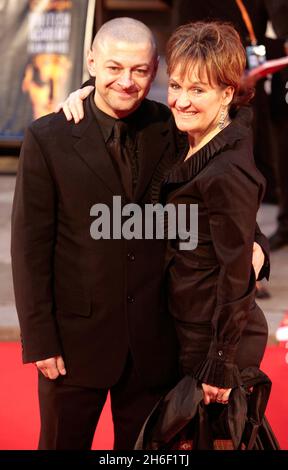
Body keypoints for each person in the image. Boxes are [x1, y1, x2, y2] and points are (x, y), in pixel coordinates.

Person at [11, 17, 268, 450]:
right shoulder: (48, 136)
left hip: (155, 342)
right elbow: (30, 246)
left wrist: (254, 246)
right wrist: (40, 338)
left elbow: (226, 194)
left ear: (155, 70)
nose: (126, 82)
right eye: (113, 68)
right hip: (74, 344)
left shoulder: (173, 125)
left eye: (139, 71)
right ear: (91, 62)